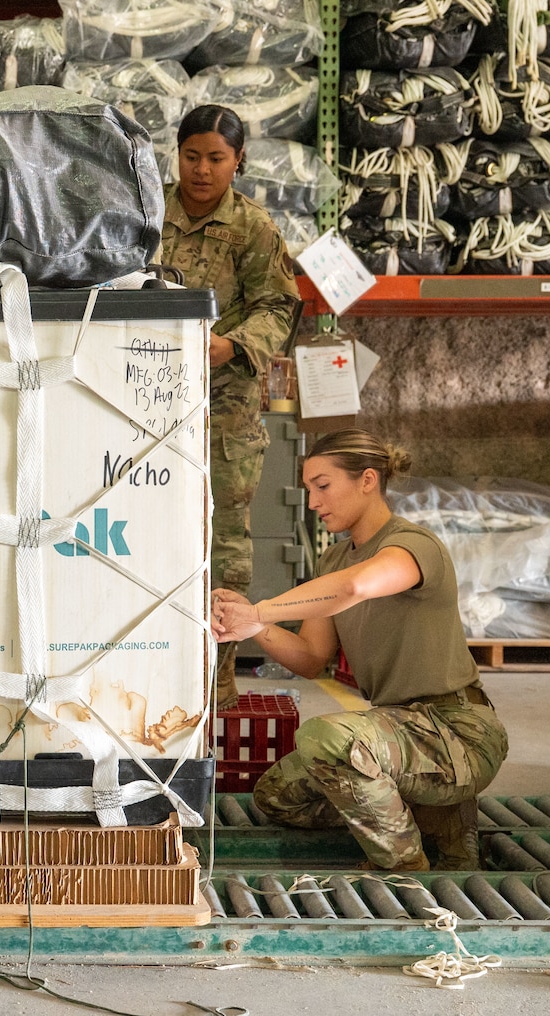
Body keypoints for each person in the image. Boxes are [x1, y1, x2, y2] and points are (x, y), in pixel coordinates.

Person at [211, 430, 509, 871]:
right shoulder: (333, 561)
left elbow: (356, 587)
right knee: (276, 796)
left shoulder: (412, 546)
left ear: (367, 480)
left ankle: (404, 864)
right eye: (308, 489)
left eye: (323, 486)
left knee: (326, 737)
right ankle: (430, 817)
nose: (313, 502)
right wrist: (257, 626)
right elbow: (311, 658)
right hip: (398, 732)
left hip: (456, 732)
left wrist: (261, 609)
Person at [158, 104, 301, 709]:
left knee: (222, 545)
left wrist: (232, 347)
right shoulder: (145, 213)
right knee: (144, 529)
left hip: (224, 409)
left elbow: (279, 307)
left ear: (238, 161)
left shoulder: (253, 228)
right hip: (142, 399)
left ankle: (213, 682)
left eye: (216, 158)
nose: (201, 169)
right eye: (191, 156)